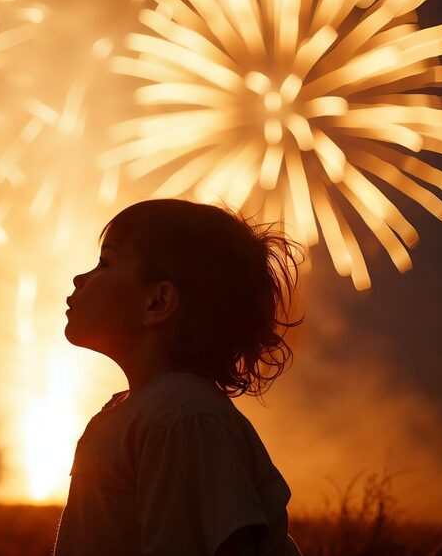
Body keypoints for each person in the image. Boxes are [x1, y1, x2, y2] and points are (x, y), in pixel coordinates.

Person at [54, 199, 303, 556]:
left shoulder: (180, 417)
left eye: (104, 262)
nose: (81, 278)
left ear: (157, 303)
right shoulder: (156, 411)